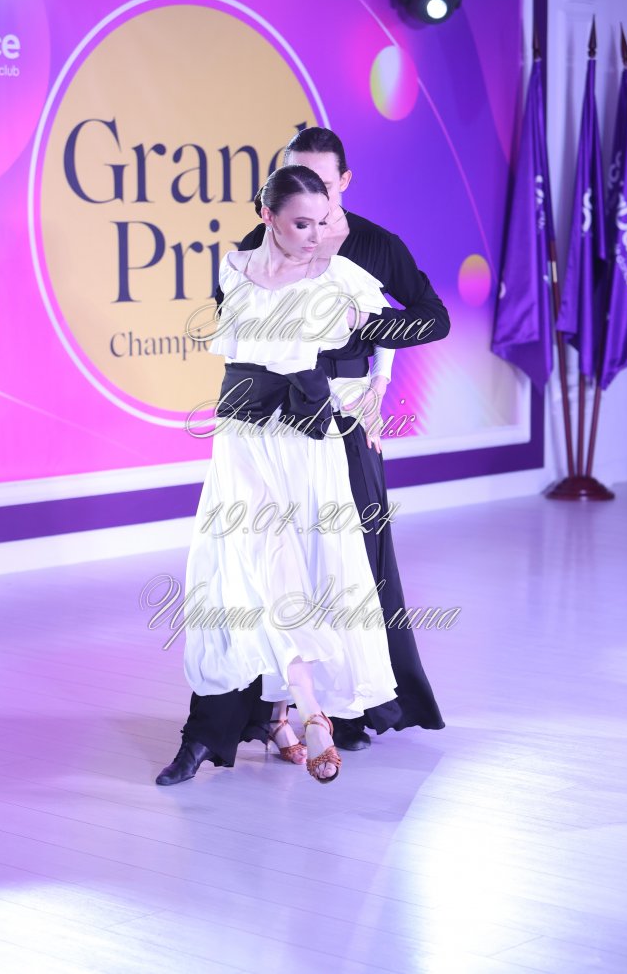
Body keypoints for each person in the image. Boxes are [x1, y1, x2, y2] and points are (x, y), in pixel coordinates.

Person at [155, 129, 449, 786]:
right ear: (270, 209)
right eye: (300, 214)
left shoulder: (356, 261)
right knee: (238, 575)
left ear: (342, 182)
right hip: (247, 439)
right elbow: (237, 337)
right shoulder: (239, 261)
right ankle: (245, 725)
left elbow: (417, 320)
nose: (315, 228)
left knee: (319, 575)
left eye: (324, 205)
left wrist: (374, 376)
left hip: (319, 433)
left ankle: (327, 712)